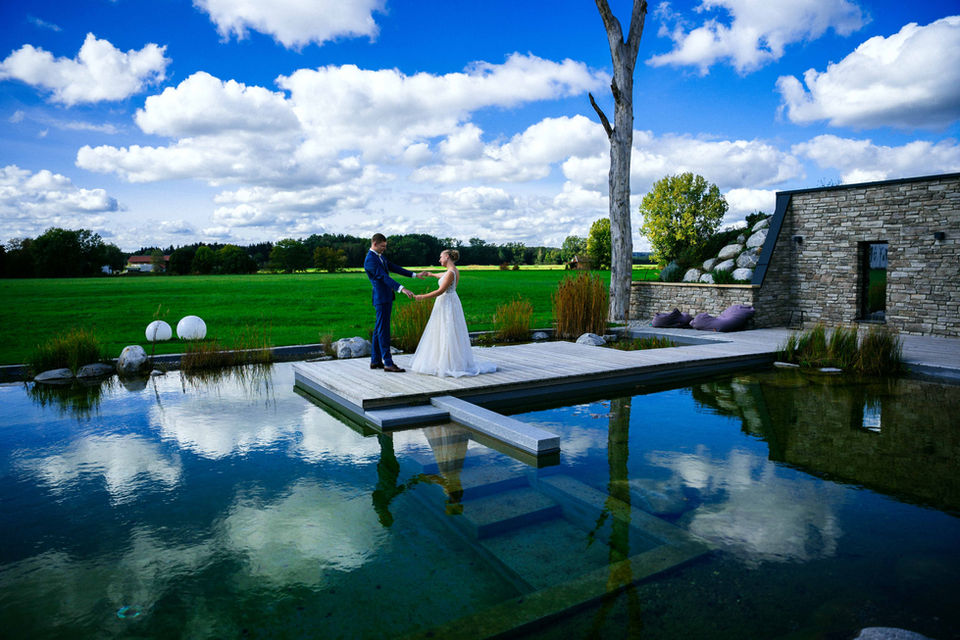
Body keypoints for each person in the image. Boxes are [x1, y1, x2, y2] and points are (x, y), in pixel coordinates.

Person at [410, 249, 497, 377]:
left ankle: (448, 363)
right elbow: (442, 275)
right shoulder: (453, 271)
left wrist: (422, 297)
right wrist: (430, 274)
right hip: (450, 301)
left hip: (447, 302)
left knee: (447, 330)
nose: (439, 260)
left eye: (441, 257)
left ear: (446, 257)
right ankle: (446, 360)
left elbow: (440, 290)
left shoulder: (451, 273)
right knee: (447, 330)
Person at [364, 233, 421, 373]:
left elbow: (394, 267)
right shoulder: (370, 260)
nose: (384, 249)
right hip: (381, 298)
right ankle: (388, 363)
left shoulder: (380, 256)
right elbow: (383, 277)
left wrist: (414, 275)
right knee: (383, 330)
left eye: (385, 246)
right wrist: (402, 289)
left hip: (386, 297)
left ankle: (375, 361)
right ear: (375, 244)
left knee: (378, 329)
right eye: (382, 246)